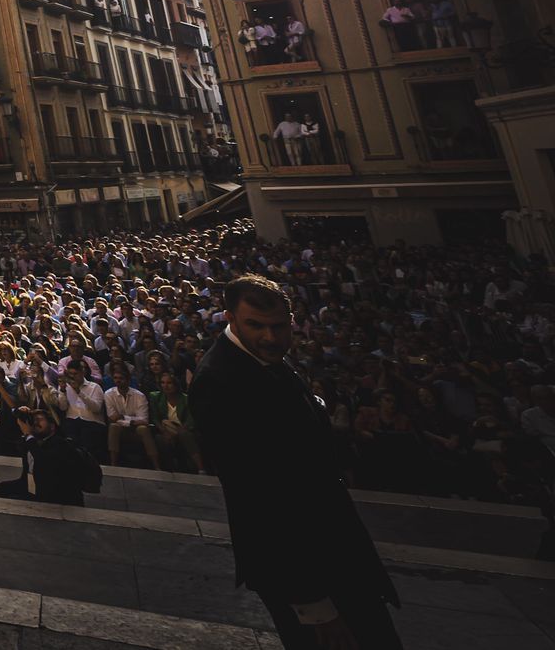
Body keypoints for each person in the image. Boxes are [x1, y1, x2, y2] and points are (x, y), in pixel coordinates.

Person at [192, 275, 399, 650]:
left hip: (328, 547)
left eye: (278, 326)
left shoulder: (263, 360)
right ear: (230, 319)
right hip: (303, 571)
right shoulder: (220, 381)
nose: (270, 337)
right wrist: (313, 605)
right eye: (255, 325)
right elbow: (259, 497)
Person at [104, 364, 162, 469]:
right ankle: (113, 464)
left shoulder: (139, 395)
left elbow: (144, 420)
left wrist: (123, 417)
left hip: (136, 429)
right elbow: (112, 417)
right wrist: (131, 420)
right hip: (121, 428)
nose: (118, 381)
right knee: (113, 426)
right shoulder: (109, 394)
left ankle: (156, 465)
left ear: (128, 379)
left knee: (143, 428)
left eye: (121, 378)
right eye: (115, 378)